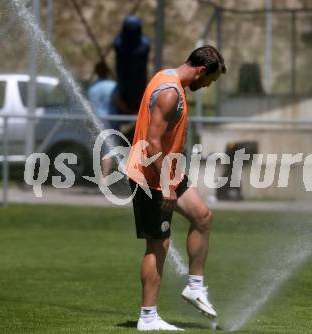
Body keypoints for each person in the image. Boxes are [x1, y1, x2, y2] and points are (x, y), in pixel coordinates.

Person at [125, 45, 226, 331]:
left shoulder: (168, 78)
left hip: (166, 173)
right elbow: (153, 142)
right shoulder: (170, 93)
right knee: (159, 244)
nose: (207, 86)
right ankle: (148, 317)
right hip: (149, 176)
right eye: (210, 80)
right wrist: (167, 186)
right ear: (201, 71)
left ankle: (194, 286)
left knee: (203, 216)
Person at [112, 16, 150, 143]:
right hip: (138, 87)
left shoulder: (119, 44)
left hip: (124, 86)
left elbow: (118, 39)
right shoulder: (143, 46)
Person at [87, 61, 116, 176]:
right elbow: (118, 101)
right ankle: (104, 178)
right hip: (109, 120)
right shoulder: (112, 86)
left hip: (95, 120)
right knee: (108, 150)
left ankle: (99, 174)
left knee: (100, 147)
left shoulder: (93, 87)